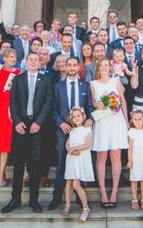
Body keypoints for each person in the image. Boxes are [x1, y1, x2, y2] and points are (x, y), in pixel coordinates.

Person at [2, 52, 54, 214]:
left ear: (40, 63)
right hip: (21, 125)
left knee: (35, 164)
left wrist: (39, 122)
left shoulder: (46, 80)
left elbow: (48, 101)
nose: (33, 62)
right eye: (30, 59)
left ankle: (34, 200)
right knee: (18, 164)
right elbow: (13, 101)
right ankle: (15, 199)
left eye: (36, 60)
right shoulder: (18, 78)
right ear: (26, 62)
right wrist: (17, 121)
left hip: (37, 126)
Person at [49, 57, 94, 211]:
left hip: (80, 132)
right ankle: (57, 197)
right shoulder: (58, 86)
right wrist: (60, 122)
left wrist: (91, 118)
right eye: (69, 65)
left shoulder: (85, 85)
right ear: (65, 67)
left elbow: (89, 107)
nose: (72, 67)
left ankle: (81, 198)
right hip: (64, 130)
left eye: (75, 65)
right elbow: (53, 108)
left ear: (78, 67)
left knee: (79, 162)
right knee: (62, 162)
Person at [90, 59, 129, 208]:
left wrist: (126, 121)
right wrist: (98, 104)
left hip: (116, 121)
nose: (104, 67)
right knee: (101, 157)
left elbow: (123, 101)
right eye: (101, 65)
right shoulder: (93, 84)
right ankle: (102, 192)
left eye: (106, 65)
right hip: (102, 121)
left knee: (116, 156)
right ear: (98, 67)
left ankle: (114, 191)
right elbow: (93, 103)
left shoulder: (116, 81)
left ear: (110, 67)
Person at [0, 48, 22, 187]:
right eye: (11, 57)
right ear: (4, 58)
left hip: (9, 110)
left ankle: (2, 173)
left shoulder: (19, 73)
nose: (13, 59)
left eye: (15, 57)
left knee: (4, 143)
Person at [61, 107, 93, 222]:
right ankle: (68, 205)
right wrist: (71, 150)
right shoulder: (72, 131)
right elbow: (67, 144)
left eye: (78, 116)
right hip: (71, 158)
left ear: (83, 116)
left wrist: (75, 149)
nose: (76, 118)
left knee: (76, 184)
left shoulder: (87, 129)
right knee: (68, 182)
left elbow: (87, 145)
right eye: (74, 117)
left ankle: (86, 207)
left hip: (81, 158)